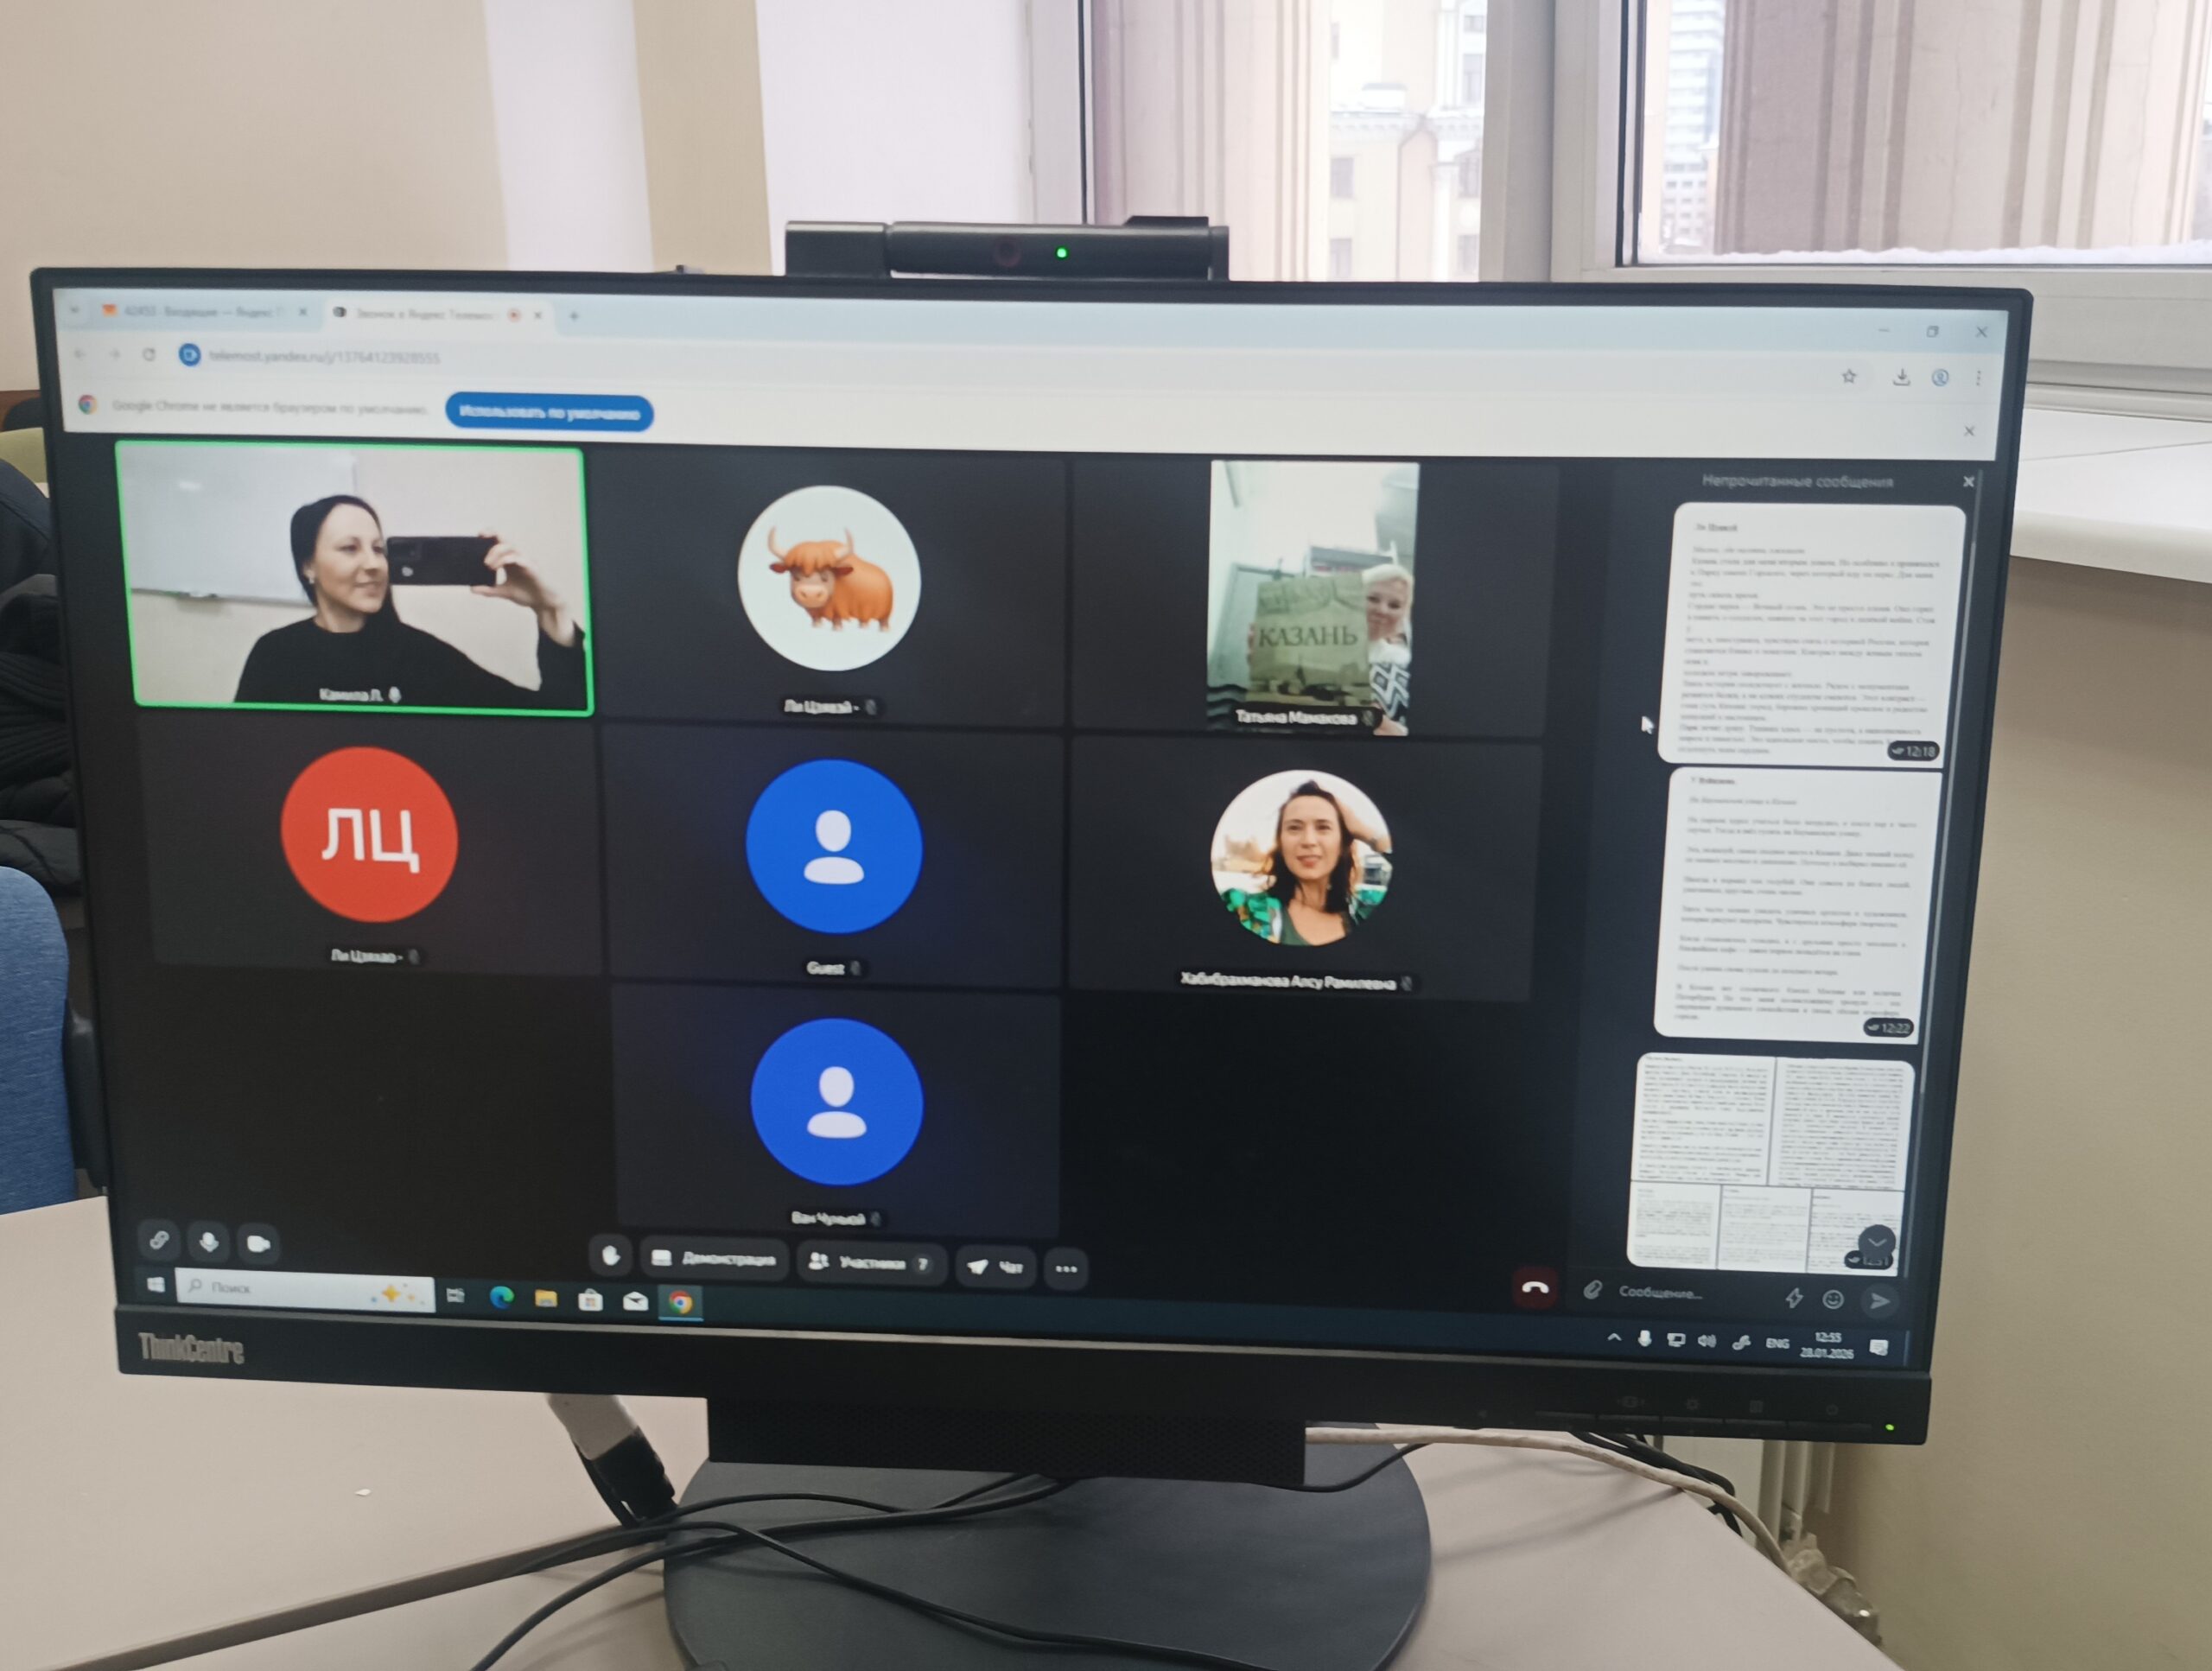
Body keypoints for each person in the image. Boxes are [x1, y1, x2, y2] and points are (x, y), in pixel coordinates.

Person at [233, 494, 586, 708]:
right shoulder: (275, 654)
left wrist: (549, 608)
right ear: (308, 566)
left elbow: (557, 714)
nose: (374, 564)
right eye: (350, 548)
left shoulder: (422, 657)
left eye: (378, 549)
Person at [1219, 779, 1390, 947]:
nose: (1309, 841)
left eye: (1323, 827)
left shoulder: (1368, 912)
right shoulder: (1242, 910)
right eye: (1294, 828)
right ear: (1281, 843)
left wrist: (1368, 833)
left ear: (1341, 844)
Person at [1363, 562, 1413, 737]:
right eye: (1373, 599)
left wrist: (1397, 733)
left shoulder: (1405, 662)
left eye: (1394, 605)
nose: (1382, 610)